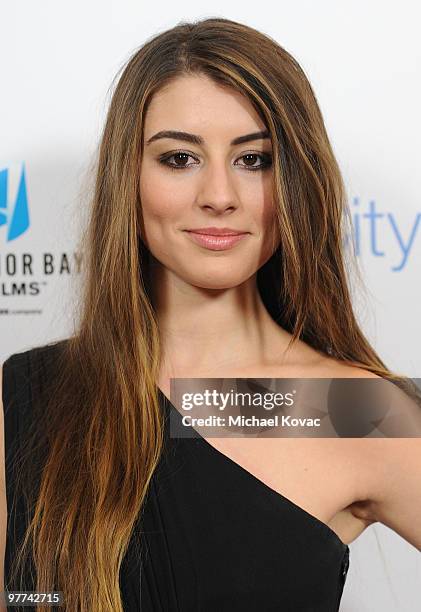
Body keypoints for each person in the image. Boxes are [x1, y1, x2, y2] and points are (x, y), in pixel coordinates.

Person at [1, 16, 420, 612]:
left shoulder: (347, 408)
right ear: (129, 177)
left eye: (254, 160)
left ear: (296, 179)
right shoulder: (25, 397)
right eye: (179, 158)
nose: (219, 195)